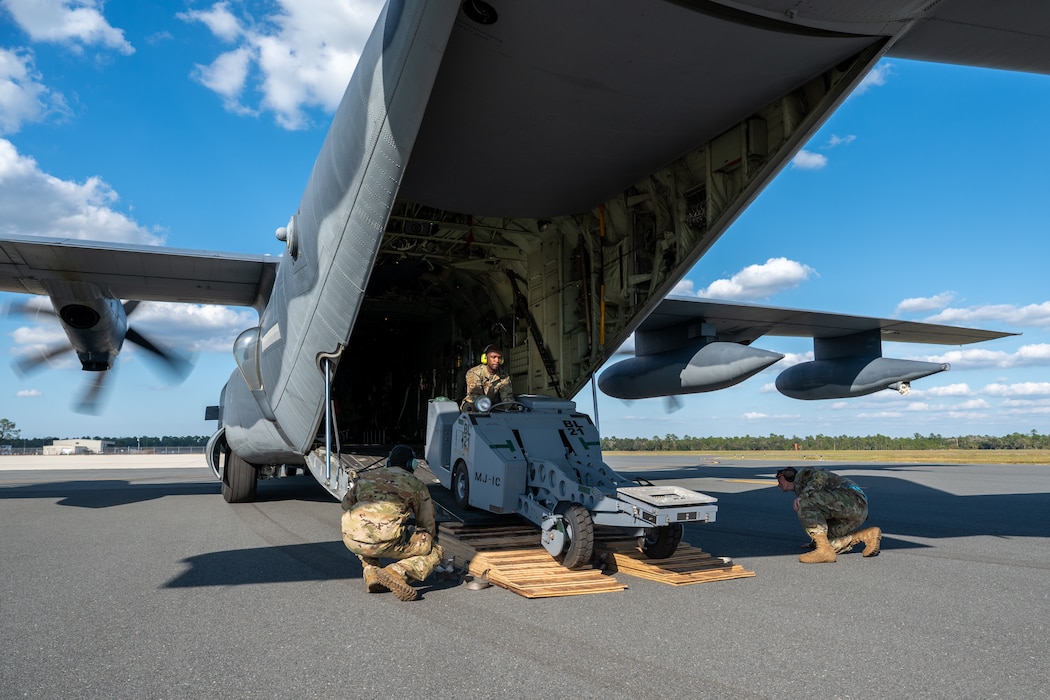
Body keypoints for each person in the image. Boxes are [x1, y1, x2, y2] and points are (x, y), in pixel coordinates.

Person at [340, 444, 443, 601]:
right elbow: (426, 522)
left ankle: (372, 573)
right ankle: (397, 571)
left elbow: (346, 504)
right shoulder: (416, 484)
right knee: (434, 550)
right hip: (387, 541)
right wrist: (425, 538)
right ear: (412, 464)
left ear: (388, 462)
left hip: (352, 539)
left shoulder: (367, 477)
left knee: (363, 531)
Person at [775, 466, 882, 563]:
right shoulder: (804, 489)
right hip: (855, 511)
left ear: (787, 476)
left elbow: (821, 476)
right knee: (828, 542)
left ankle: (823, 550)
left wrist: (803, 496)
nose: (778, 484)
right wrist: (814, 542)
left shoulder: (803, 474)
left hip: (850, 499)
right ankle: (866, 535)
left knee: (804, 504)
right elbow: (820, 517)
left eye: (779, 479)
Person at [460, 343, 514, 411]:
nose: (497, 361)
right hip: (475, 403)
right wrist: (486, 406)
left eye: (499, 358)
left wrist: (511, 408)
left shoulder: (504, 376)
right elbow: (475, 395)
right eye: (493, 357)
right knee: (471, 409)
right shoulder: (474, 372)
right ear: (485, 358)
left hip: (492, 405)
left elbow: (507, 397)